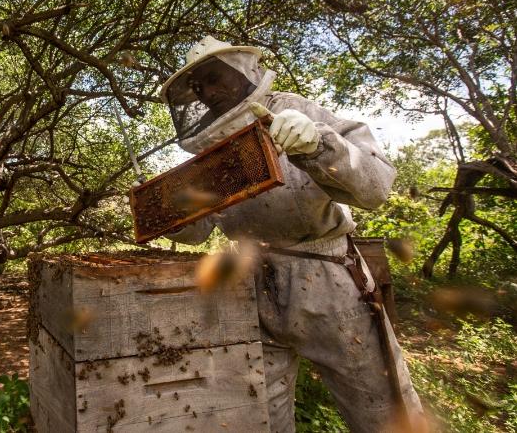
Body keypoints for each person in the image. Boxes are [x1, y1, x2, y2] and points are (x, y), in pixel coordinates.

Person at [161, 36, 424, 432]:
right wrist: (176, 212)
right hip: (249, 286)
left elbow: (377, 185)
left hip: (328, 279)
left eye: (216, 79)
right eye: (199, 89)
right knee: (260, 414)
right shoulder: (211, 151)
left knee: (382, 410)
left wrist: (320, 145)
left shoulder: (296, 110)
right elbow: (198, 232)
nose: (209, 93)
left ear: (243, 70)